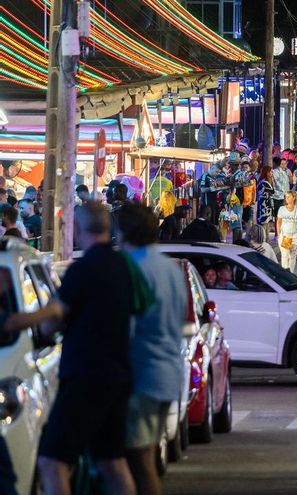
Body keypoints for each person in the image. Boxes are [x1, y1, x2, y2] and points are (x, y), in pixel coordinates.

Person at [3, 202, 145, 495]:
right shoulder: (125, 267)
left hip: (85, 378)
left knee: (51, 462)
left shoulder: (84, 269)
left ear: (78, 229)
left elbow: (53, 316)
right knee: (113, 463)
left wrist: (14, 321)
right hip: (118, 376)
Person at [117, 203, 187, 495]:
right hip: (168, 372)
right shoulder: (170, 268)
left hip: (143, 374)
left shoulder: (133, 267)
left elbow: (126, 325)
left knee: (140, 461)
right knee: (143, 459)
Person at [276, 192, 297, 274]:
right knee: (285, 256)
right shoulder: (282, 209)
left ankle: (291, 273)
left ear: (294, 198)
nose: (287, 198)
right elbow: (278, 221)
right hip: (285, 236)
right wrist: (279, 234)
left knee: (293, 256)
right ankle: (285, 274)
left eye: (289, 197)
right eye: (286, 197)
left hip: (295, 236)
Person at [256, 165, 276, 235]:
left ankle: (266, 240)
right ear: (266, 173)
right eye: (270, 172)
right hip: (264, 205)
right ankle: (264, 240)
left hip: (265, 205)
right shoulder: (265, 182)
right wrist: (272, 180)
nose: (271, 174)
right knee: (264, 224)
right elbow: (273, 191)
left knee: (267, 224)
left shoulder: (263, 181)